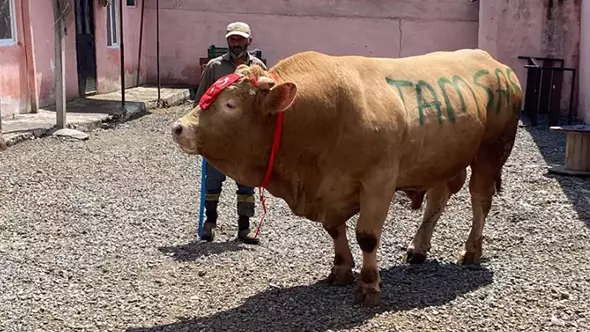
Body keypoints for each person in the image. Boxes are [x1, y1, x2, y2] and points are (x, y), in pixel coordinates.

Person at [193, 21, 267, 245]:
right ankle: (210, 223)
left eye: (240, 39)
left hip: (245, 138)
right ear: (227, 40)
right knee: (213, 181)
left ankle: (244, 229)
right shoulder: (214, 67)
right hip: (219, 135)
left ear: (249, 40)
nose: (236, 43)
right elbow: (201, 101)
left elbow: (264, 103)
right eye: (233, 39)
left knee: (246, 182)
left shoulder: (258, 68)